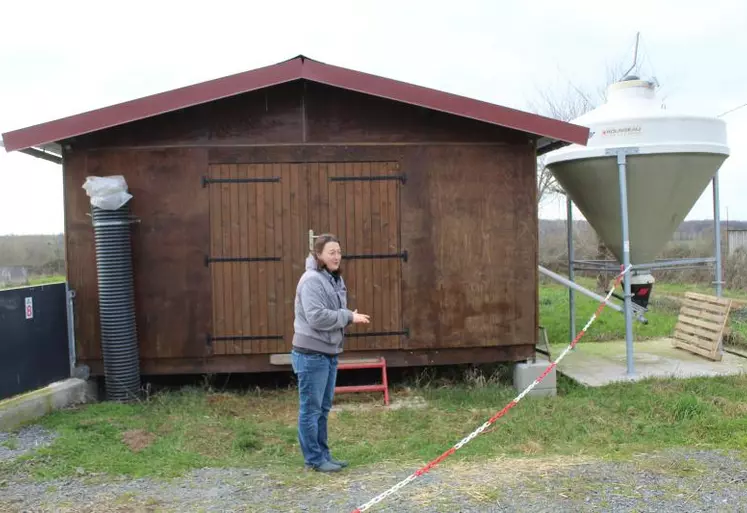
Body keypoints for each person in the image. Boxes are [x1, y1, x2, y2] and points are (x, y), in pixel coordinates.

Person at [291, 233, 370, 472]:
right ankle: (313, 461)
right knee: (311, 409)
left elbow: (331, 311)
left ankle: (323, 456)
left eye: (338, 251)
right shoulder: (312, 280)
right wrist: (348, 316)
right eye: (331, 252)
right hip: (311, 354)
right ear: (319, 256)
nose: (336, 256)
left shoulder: (333, 279)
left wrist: (345, 314)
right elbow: (316, 317)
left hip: (328, 352)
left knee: (323, 409)